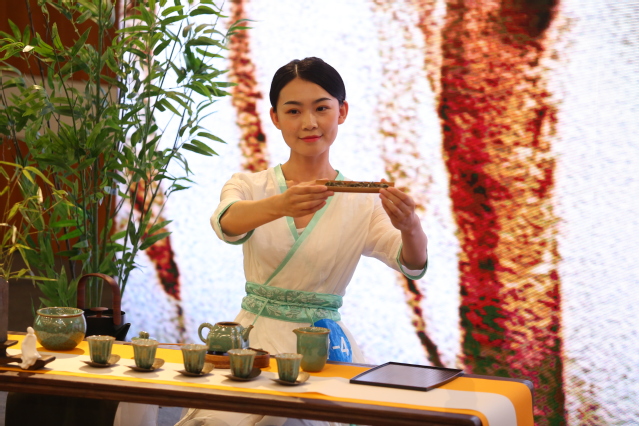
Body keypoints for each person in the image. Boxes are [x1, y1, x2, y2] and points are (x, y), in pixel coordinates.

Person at [176, 57, 428, 426]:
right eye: (293, 111)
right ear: (275, 117)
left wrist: (411, 226)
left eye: (321, 108)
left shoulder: (363, 200)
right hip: (252, 345)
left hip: (321, 348)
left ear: (342, 112)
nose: (309, 122)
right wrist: (280, 205)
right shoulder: (248, 184)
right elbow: (226, 222)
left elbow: (411, 262)